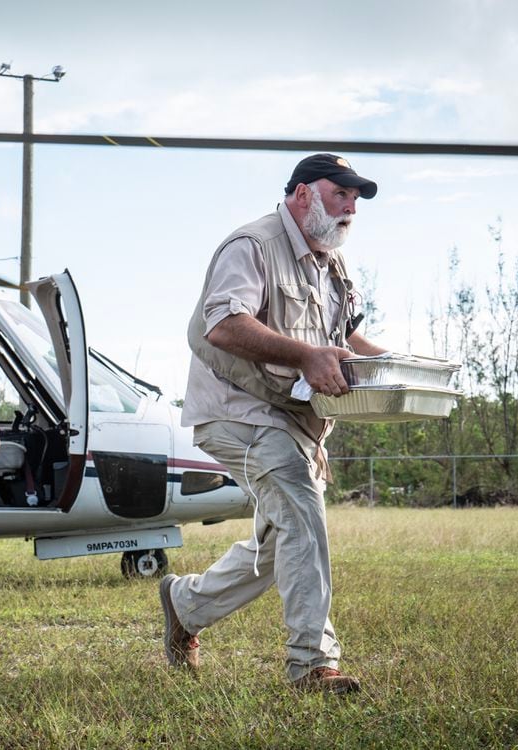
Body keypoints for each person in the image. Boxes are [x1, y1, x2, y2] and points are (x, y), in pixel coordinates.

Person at [161, 154, 387, 694]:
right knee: (302, 513)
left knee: (278, 541)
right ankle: (312, 663)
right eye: (341, 194)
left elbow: (346, 339)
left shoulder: (331, 264)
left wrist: (406, 370)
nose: (351, 208)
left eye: (356, 200)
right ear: (304, 194)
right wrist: (307, 356)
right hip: (236, 412)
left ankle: (183, 604)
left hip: (294, 421)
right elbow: (223, 324)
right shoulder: (252, 245)